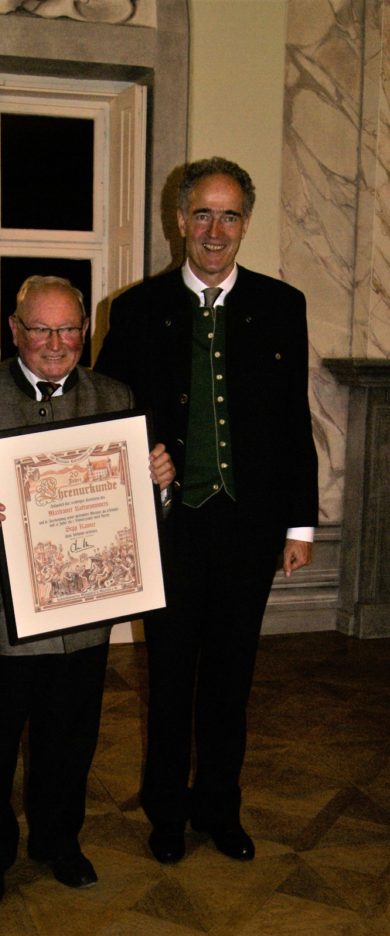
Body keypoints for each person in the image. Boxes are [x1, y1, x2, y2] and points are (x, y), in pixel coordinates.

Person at [95, 157, 319, 865]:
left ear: (244, 224)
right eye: (202, 214)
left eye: (228, 216)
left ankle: (220, 806)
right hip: (170, 528)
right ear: (179, 221)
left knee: (231, 677)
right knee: (168, 677)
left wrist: (300, 523)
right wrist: (143, 457)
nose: (214, 230)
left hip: (248, 528)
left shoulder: (283, 306)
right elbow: (104, 416)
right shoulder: (136, 309)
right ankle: (166, 811)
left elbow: (292, 421)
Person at [0, 276, 174, 905]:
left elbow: (137, 518)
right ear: (13, 331)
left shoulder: (115, 396)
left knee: (69, 741)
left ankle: (58, 842)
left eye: (69, 328)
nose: (56, 342)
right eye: (41, 329)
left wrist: (156, 483)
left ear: (85, 332)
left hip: (82, 617)